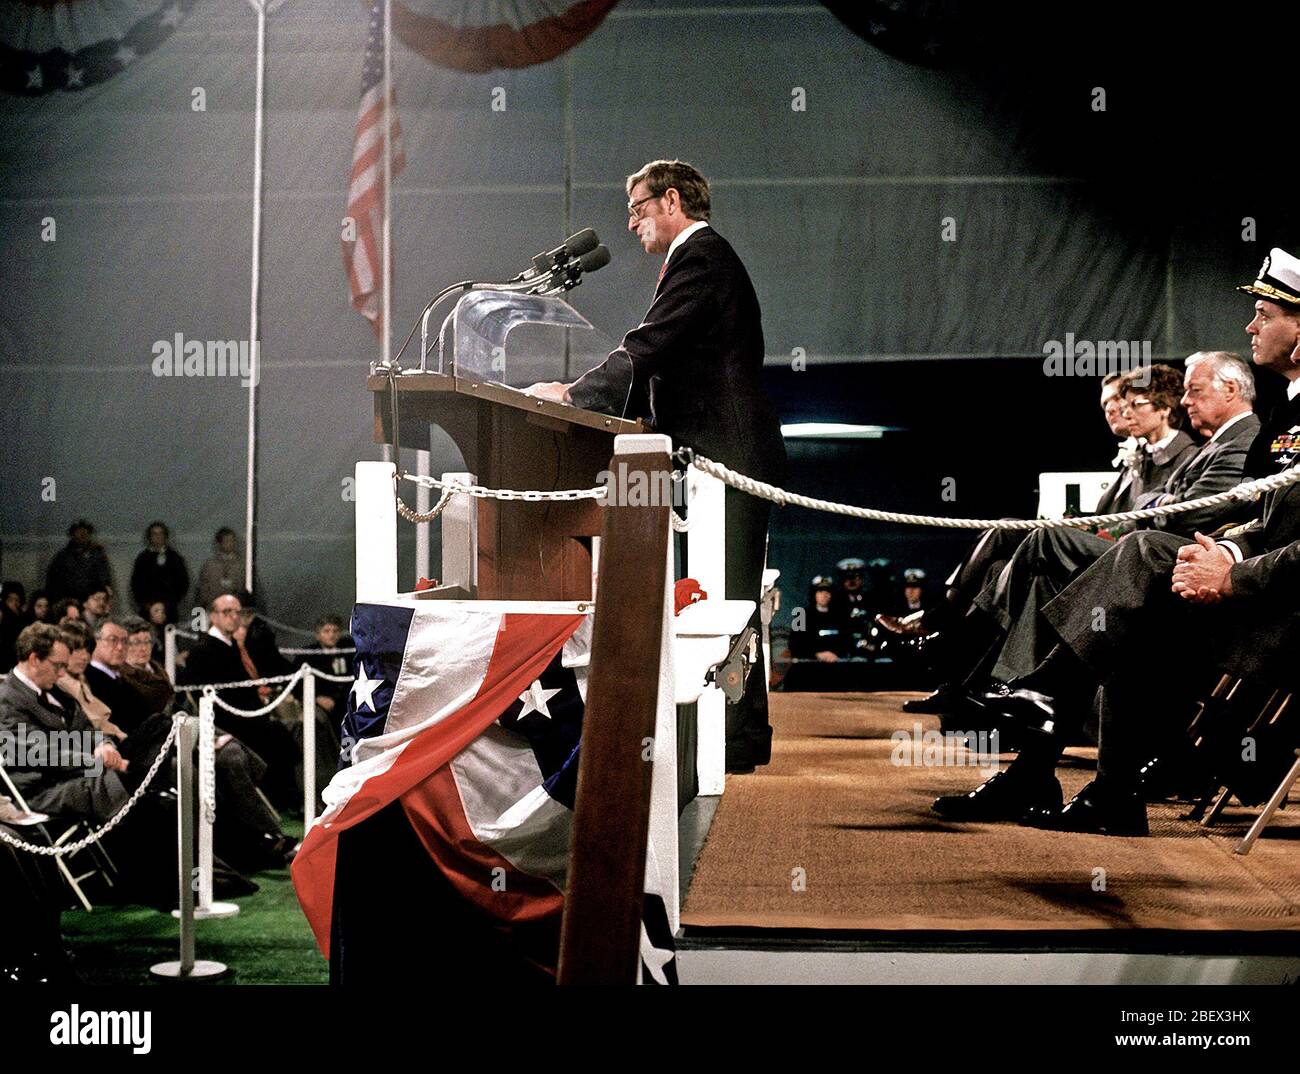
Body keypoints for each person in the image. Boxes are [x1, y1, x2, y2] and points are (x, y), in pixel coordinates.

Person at [522, 160, 787, 773]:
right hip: (713, 454)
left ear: (672, 200)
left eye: (638, 208)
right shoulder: (697, 260)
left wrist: (576, 396)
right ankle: (740, 734)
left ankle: (738, 737)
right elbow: (667, 359)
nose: (633, 221)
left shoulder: (701, 256)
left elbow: (650, 344)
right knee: (725, 592)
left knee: (731, 593)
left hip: (730, 455)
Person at [129, 521, 190, 623]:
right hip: (147, 610)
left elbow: (183, 582)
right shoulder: (142, 558)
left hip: (169, 610)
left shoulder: (174, 557)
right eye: (154, 534)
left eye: (160, 533)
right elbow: (136, 583)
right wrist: (147, 605)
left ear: (165, 536)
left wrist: (168, 604)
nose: (158, 537)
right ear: (149, 537)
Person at [44, 519, 113, 602]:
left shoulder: (97, 555)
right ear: (73, 535)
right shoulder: (62, 557)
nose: (82, 535)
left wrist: (105, 590)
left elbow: (104, 578)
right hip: (69, 603)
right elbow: (53, 582)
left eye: (85, 532)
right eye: (79, 532)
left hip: (92, 602)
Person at [788, 576, 844, 661]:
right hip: (811, 665)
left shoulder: (840, 616)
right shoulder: (802, 615)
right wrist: (817, 655)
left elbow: (846, 642)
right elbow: (794, 645)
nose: (824, 595)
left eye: (828, 591)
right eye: (820, 591)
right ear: (814, 594)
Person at [194, 528, 245, 615]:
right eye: (226, 541)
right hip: (214, 609)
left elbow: (244, 588)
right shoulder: (209, 565)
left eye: (232, 540)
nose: (230, 544)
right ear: (220, 543)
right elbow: (203, 588)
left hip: (234, 610)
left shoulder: (242, 565)